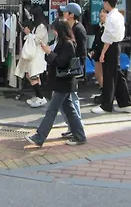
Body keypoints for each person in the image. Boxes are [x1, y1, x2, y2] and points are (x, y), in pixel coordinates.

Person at [25, 19, 87, 147]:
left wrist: (49, 52)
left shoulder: (68, 44)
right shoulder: (61, 42)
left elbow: (61, 62)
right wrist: (48, 52)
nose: (53, 32)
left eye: (54, 30)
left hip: (64, 82)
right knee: (70, 110)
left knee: (52, 110)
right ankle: (80, 136)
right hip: (62, 82)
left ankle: (39, 137)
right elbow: (53, 60)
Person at [91, 0, 131, 115]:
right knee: (117, 75)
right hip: (117, 45)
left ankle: (106, 105)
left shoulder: (111, 18)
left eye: (104, 2)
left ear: (107, 3)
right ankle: (125, 103)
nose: (103, 5)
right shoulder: (119, 15)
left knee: (109, 76)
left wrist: (103, 53)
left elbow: (108, 38)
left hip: (110, 47)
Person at [59, 3, 87, 136]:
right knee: (69, 98)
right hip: (68, 67)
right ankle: (73, 127)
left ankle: (76, 127)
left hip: (73, 68)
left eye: (66, 12)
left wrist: (79, 67)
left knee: (72, 97)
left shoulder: (79, 29)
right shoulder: (69, 27)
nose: (63, 13)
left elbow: (82, 51)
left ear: (71, 15)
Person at [15, 6, 48, 108]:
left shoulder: (41, 27)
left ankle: (40, 97)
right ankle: (38, 96)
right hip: (35, 54)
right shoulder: (38, 26)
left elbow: (37, 40)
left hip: (37, 54)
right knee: (31, 75)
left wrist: (29, 34)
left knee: (32, 75)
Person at [89, 8, 107, 103]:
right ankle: (103, 90)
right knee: (97, 74)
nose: (101, 14)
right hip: (98, 52)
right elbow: (96, 39)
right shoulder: (99, 26)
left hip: (105, 53)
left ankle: (106, 93)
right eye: (101, 12)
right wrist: (92, 49)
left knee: (105, 74)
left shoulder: (109, 27)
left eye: (104, 12)